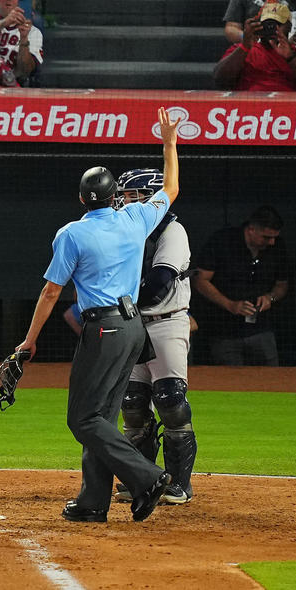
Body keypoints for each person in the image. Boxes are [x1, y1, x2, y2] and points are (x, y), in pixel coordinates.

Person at [14, 109, 181, 523]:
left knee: (83, 418)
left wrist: (29, 340)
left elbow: (52, 290)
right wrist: (169, 143)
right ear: (115, 197)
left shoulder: (72, 233)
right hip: (133, 328)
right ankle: (93, 503)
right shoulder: (135, 218)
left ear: (81, 199)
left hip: (104, 327)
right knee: (102, 416)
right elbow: (172, 188)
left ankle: (148, 476)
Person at [96, 169, 197, 507]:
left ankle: (178, 485)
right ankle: (142, 479)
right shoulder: (125, 231)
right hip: (133, 322)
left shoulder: (172, 230)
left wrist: (118, 300)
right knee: (133, 404)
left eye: (133, 194)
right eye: (123, 195)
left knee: (170, 400)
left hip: (166, 322)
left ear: (153, 197)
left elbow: (159, 284)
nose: (125, 200)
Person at [193, 206, 290, 367]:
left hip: (262, 329)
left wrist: (269, 297)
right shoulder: (222, 241)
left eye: (274, 237)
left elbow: (282, 285)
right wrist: (230, 305)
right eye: (266, 237)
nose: (271, 242)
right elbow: (200, 280)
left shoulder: (277, 247)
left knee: (271, 380)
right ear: (251, 229)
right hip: (224, 330)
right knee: (231, 382)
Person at [213, 0, 296, 91]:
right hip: (251, 104)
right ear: (259, 24)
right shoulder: (243, 50)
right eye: (267, 24)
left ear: (289, 26)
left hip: (288, 104)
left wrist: (291, 57)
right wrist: (244, 47)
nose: (272, 29)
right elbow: (220, 80)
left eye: (277, 24)